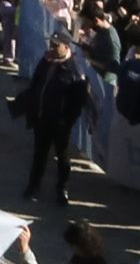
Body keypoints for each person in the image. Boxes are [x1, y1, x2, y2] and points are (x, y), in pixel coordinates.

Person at [16, 34, 94, 211]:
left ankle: (61, 188)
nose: (51, 48)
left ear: (66, 48)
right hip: (42, 118)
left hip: (60, 123)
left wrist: (66, 122)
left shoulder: (74, 71)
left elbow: (77, 103)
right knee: (39, 154)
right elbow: (36, 84)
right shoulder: (46, 61)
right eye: (51, 44)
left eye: (55, 46)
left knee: (62, 157)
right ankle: (33, 185)